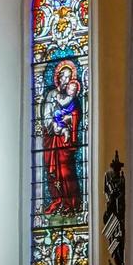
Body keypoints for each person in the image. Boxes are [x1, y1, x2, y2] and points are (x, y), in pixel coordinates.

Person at [40, 61, 83, 215]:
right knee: (53, 173)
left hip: (65, 142)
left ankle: (71, 203)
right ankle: (57, 200)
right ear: (58, 78)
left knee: (66, 171)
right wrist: (59, 127)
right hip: (52, 139)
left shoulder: (71, 97)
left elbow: (77, 115)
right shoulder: (52, 95)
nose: (66, 81)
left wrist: (70, 119)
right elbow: (46, 118)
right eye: (64, 77)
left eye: (69, 78)